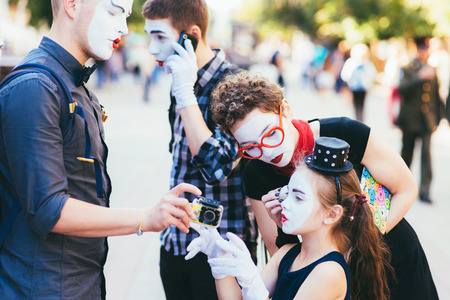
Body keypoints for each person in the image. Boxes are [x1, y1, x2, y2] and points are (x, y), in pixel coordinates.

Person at [0, 1, 201, 298]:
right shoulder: (36, 87)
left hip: (78, 283)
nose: (123, 27)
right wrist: (145, 217)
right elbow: (49, 210)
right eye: (113, 11)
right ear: (71, 5)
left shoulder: (76, 86)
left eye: (126, 15)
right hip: (40, 288)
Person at [210, 70, 439, 299]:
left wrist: (361, 245)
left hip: (392, 254)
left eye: (270, 134)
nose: (267, 151)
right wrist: (280, 224)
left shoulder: (345, 132)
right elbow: (282, 256)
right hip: (326, 280)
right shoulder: (256, 173)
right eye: (250, 147)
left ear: (285, 110)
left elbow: (406, 188)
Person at [142, 1, 257, 299]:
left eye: (160, 37)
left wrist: (185, 93)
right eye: (149, 37)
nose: (152, 49)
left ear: (190, 36)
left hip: (221, 250)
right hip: (175, 243)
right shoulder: (179, 79)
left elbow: (215, 167)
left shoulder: (237, 86)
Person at [188, 137, 392, 300]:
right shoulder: (287, 253)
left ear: (332, 214)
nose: (284, 203)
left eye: (298, 197)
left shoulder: (329, 272)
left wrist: (252, 281)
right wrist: (219, 257)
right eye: (287, 193)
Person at [396, 36, 442, 204]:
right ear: (417, 50)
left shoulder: (432, 69)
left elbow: (435, 97)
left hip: (426, 120)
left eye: (427, 49)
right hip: (410, 119)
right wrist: (419, 77)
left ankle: (425, 190)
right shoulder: (408, 68)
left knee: (426, 156)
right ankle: (401, 186)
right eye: (423, 49)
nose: (425, 52)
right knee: (406, 154)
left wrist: (437, 118)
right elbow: (402, 89)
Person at [340, 43, 377, 122]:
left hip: (363, 88)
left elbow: (372, 74)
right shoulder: (351, 62)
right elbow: (345, 75)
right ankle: (358, 120)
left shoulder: (366, 63)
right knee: (356, 105)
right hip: (353, 87)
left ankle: (360, 120)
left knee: (361, 105)